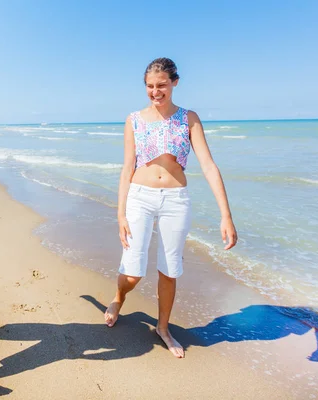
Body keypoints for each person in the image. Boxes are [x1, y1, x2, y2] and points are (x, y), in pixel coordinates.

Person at [104, 58, 238, 358]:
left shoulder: (188, 119)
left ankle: (163, 328)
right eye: (150, 86)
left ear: (174, 83)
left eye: (162, 85)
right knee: (133, 270)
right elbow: (127, 168)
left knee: (169, 269)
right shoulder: (134, 120)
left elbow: (208, 166)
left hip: (176, 201)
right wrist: (121, 213)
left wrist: (226, 216)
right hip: (139, 197)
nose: (155, 92)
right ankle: (118, 297)